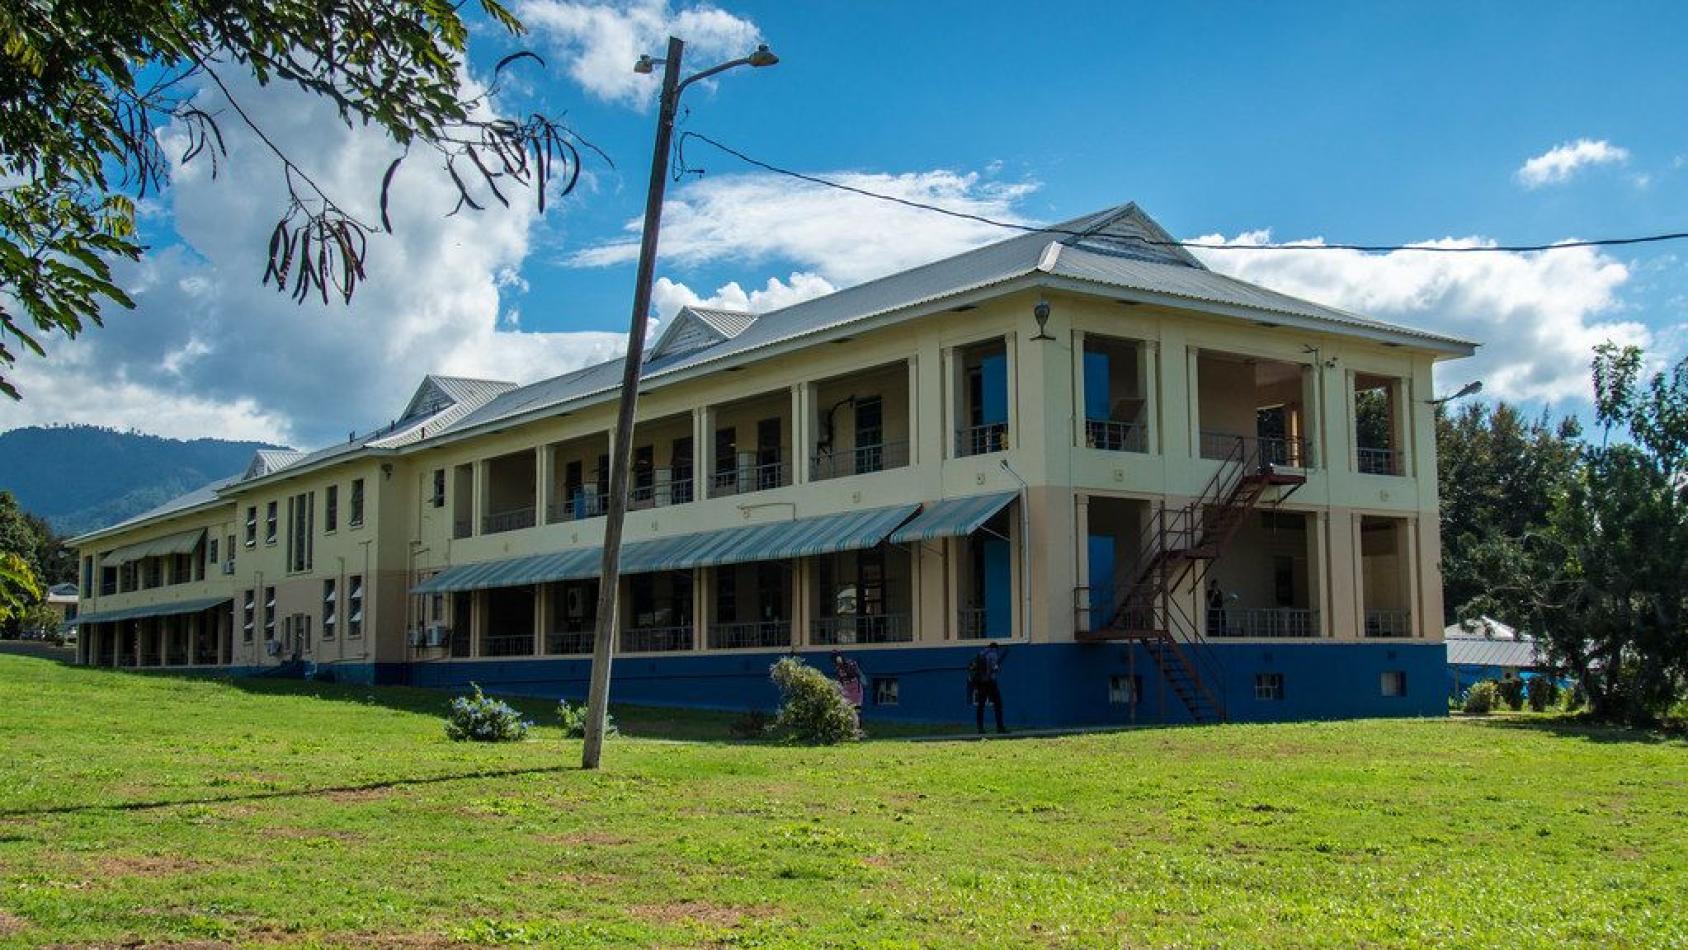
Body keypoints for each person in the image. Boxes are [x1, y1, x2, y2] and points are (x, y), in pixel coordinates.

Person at [967, 642, 1008, 735]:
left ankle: (980, 728)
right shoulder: (993, 654)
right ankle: (1000, 727)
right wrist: (996, 668)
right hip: (989, 682)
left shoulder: (982, 653)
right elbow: (994, 668)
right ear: (996, 648)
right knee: (998, 704)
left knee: (980, 705)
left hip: (980, 682)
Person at [832, 649, 864, 723]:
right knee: (843, 709)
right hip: (846, 689)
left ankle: (859, 729)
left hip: (856, 688)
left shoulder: (850, 663)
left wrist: (845, 666)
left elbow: (856, 673)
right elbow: (839, 681)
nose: (836, 659)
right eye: (834, 657)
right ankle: (848, 727)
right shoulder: (837, 669)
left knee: (857, 710)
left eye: (837, 656)